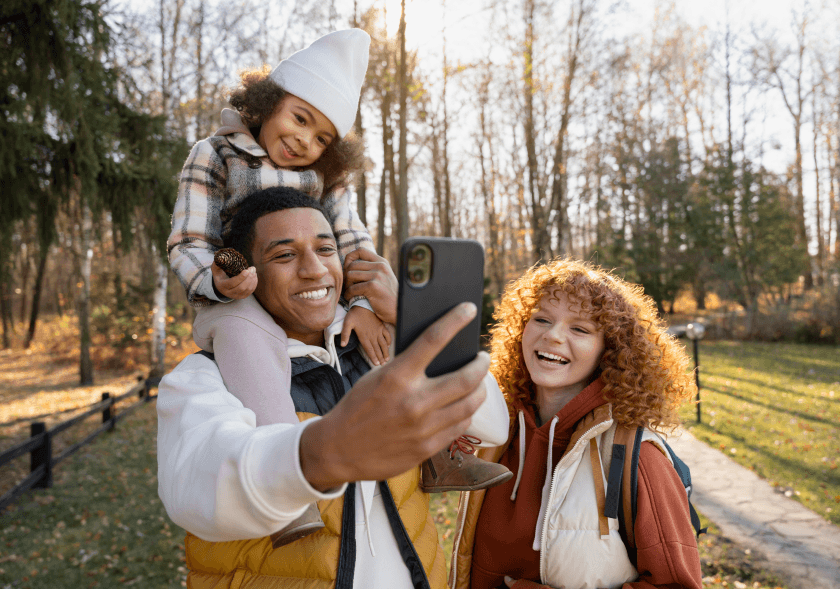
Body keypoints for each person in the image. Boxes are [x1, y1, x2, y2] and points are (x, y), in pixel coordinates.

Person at [166, 29, 509, 541]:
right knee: (245, 336)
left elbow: (348, 243)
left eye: (322, 137)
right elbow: (190, 237)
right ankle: (290, 491)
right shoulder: (217, 153)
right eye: (300, 118)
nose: (305, 140)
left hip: (318, 296)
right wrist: (220, 277)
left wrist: (367, 303)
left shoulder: (323, 178)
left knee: (380, 344)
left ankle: (443, 457)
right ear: (266, 103)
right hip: (233, 273)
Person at [157, 186, 510, 588]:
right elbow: (200, 490)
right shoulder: (202, 377)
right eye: (285, 254)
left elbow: (492, 429)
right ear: (248, 277)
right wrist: (323, 454)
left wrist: (411, 320)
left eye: (325, 250)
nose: (314, 270)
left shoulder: (381, 345)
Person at [449, 258, 703, 589]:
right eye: (540, 319)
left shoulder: (637, 458)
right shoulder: (494, 428)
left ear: (609, 352)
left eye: (579, 329)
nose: (552, 335)